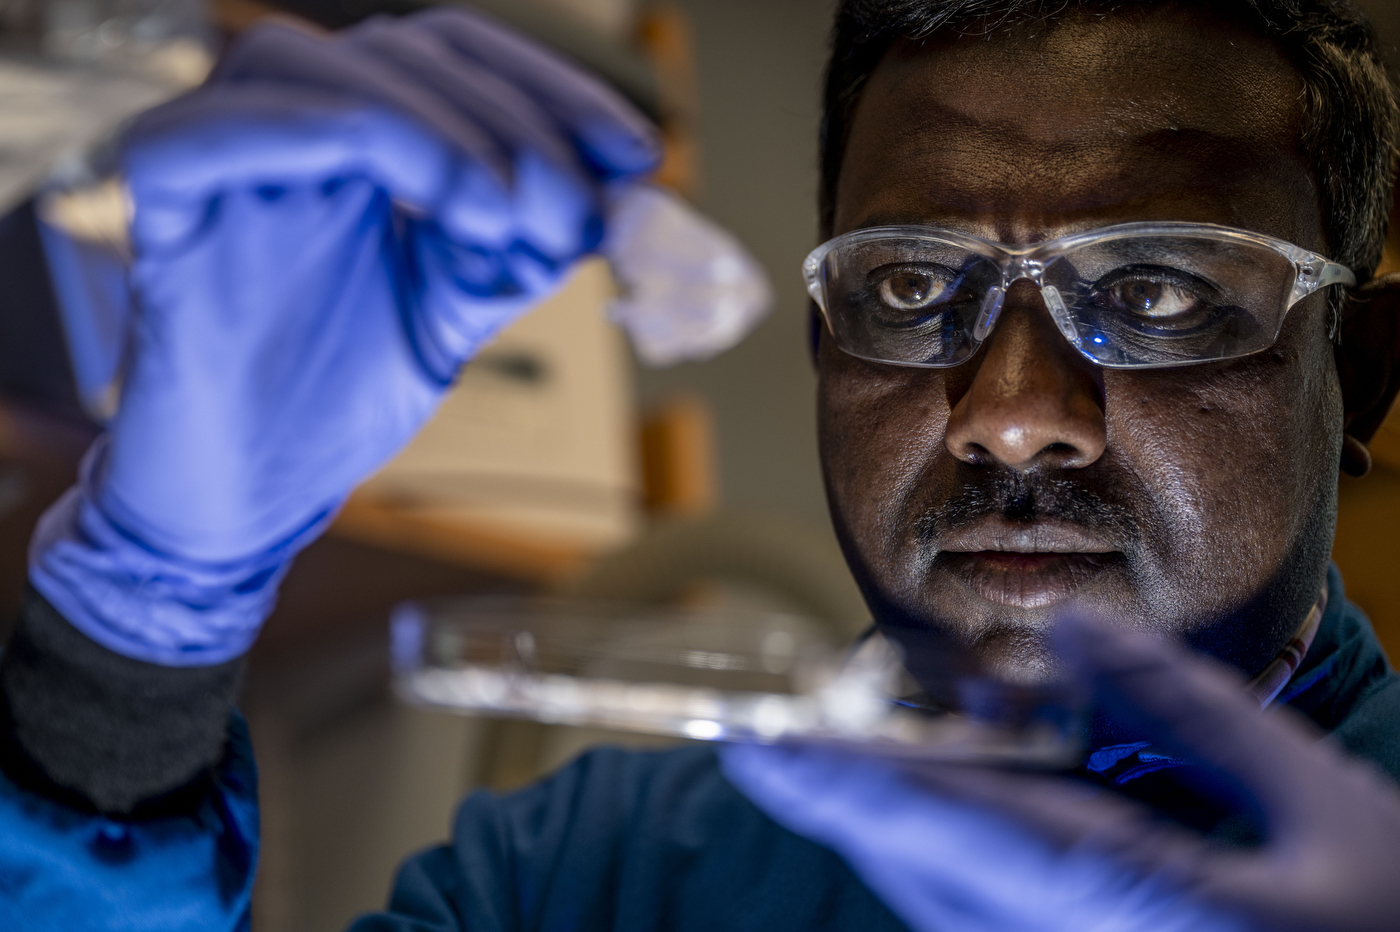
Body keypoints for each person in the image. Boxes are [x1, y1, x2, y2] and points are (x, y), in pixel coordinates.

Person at [3, 0, 1400, 930]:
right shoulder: (577, 877)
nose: (1012, 412)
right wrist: (135, 633)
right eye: (909, 290)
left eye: (1159, 290)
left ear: (1363, 372)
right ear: (820, 347)